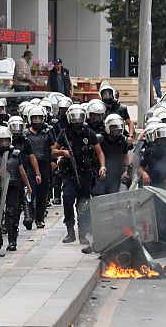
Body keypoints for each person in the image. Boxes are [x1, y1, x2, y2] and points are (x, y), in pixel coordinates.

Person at [52, 105, 106, 245]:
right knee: (68, 199)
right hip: (69, 173)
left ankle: (83, 233)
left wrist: (102, 167)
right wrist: (63, 152)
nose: (77, 120)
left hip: (85, 174)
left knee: (83, 205)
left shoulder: (89, 133)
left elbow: (99, 152)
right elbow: (53, 150)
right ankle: (70, 231)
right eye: (74, 117)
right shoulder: (64, 133)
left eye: (79, 117)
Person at [0, 127, 31, 252]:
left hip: (13, 187)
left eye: (6, 141)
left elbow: (22, 171)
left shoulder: (16, 154)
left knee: (11, 213)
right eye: (0, 141)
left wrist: (28, 186)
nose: (3, 143)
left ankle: (12, 241)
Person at [26, 106, 55, 229]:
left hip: (44, 166)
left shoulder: (47, 133)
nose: (37, 121)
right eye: (35, 118)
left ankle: (40, 218)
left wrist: (54, 161)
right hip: (29, 167)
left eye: (39, 118)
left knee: (42, 194)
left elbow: (53, 148)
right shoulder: (25, 134)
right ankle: (29, 215)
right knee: (31, 192)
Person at [96, 114, 129, 196]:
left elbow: (125, 156)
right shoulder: (100, 139)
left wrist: (125, 171)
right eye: (114, 127)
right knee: (99, 196)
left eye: (119, 126)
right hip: (100, 175)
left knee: (112, 197)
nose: (117, 129)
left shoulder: (123, 140)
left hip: (115, 175)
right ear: (108, 127)